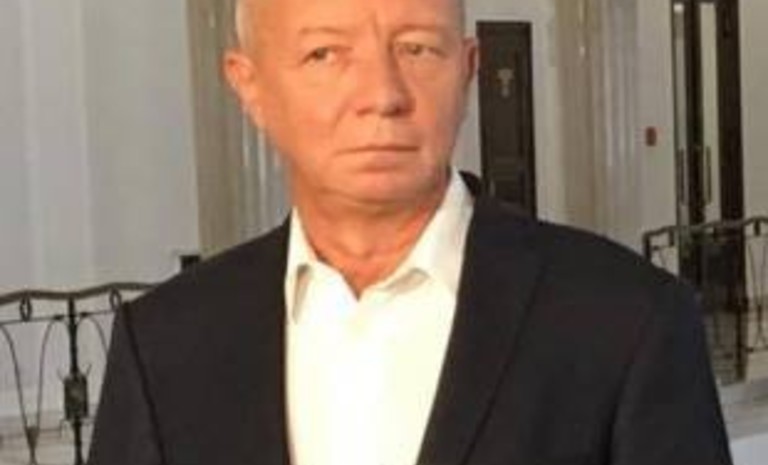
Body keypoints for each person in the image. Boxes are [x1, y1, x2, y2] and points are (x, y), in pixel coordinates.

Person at [88, 0, 733, 464]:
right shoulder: (165, 344)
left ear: (468, 69)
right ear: (249, 86)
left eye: (417, 48)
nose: (382, 94)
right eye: (325, 54)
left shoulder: (626, 321)